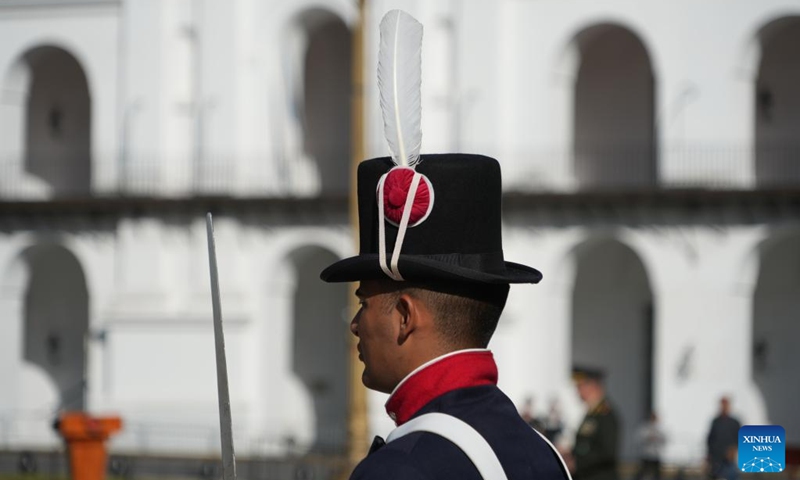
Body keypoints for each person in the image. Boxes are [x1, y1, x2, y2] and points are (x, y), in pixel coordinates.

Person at [320, 9, 569, 479]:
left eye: (364, 302)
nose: (355, 324)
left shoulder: (401, 469)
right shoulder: (543, 455)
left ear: (405, 315)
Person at [568, 366, 619, 480]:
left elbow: (607, 452)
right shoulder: (591, 414)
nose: (577, 391)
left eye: (580, 387)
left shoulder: (605, 414)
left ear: (593, 387)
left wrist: (577, 463)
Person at [706, 396, 741, 480]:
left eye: (726, 404)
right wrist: (709, 455)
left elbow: (740, 439)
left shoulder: (734, 422)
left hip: (729, 461)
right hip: (716, 461)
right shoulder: (716, 422)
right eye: (722, 404)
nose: (724, 407)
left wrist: (733, 450)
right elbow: (710, 440)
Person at [634, 412, 667, 480]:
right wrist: (648, 438)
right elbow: (639, 438)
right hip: (646, 455)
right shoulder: (645, 428)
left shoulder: (660, 429)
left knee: (657, 475)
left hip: (656, 455)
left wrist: (657, 439)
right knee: (642, 473)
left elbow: (664, 440)